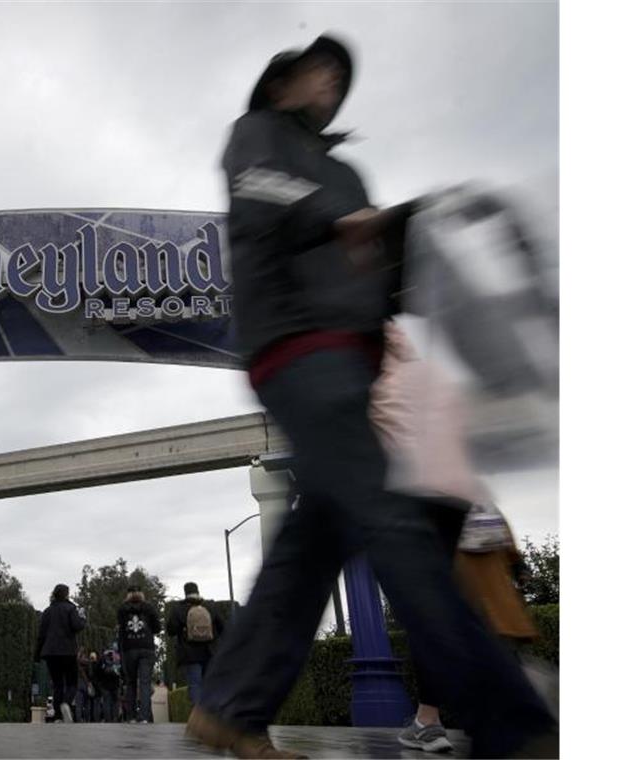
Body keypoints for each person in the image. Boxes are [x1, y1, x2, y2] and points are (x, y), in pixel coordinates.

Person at [188, 34, 558, 759]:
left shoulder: (346, 169)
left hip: (352, 362)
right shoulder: (255, 135)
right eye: (316, 69)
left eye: (339, 74)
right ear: (281, 81)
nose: (329, 80)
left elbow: (369, 267)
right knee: (394, 520)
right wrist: (338, 215)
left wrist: (422, 245)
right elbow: (262, 194)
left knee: (316, 535)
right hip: (295, 350)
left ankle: (231, 708)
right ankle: (512, 724)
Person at [368, 323, 548, 752]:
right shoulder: (430, 376)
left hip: (413, 500)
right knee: (446, 612)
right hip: (458, 501)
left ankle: (501, 706)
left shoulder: (371, 386)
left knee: (432, 615)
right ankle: (446, 714)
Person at [165, 582, 225, 707]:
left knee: (195, 684)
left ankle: (198, 716)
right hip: (210, 651)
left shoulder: (179, 609)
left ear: (185, 593)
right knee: (210, 684)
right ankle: (212, 716)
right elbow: (222, 627)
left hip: (190, 653)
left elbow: (171, 630)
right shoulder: (210, 606)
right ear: (198, 591)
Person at [35, 583, 86, 723]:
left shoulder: (47, 611)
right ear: (66, 594)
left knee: (57, 684)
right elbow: (77, 626)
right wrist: (83, 619)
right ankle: (66, 703)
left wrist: (37, 654)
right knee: (72, 683)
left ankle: (57, 716)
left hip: (50, 652)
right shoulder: (70, 608)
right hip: (67, 650)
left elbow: (41, 635)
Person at [117, 585, 160, 724]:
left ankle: (131, 716)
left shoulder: (122, 609)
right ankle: (145, 717)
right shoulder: (149, 608)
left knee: (130, 683)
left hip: (129, 649)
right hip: (147, 648)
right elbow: (157, 628)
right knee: (145, 683)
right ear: (142, 593)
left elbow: (121, 630)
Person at [92, 642, 122, 723]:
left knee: (107, 703)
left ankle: (108, 720)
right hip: (115, 684)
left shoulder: (102, 658)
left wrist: (99, 682)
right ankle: (115, 719)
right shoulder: (118, 657)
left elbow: (97, 671)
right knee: (115, 702)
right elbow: (122, 670)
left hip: (105, 684)